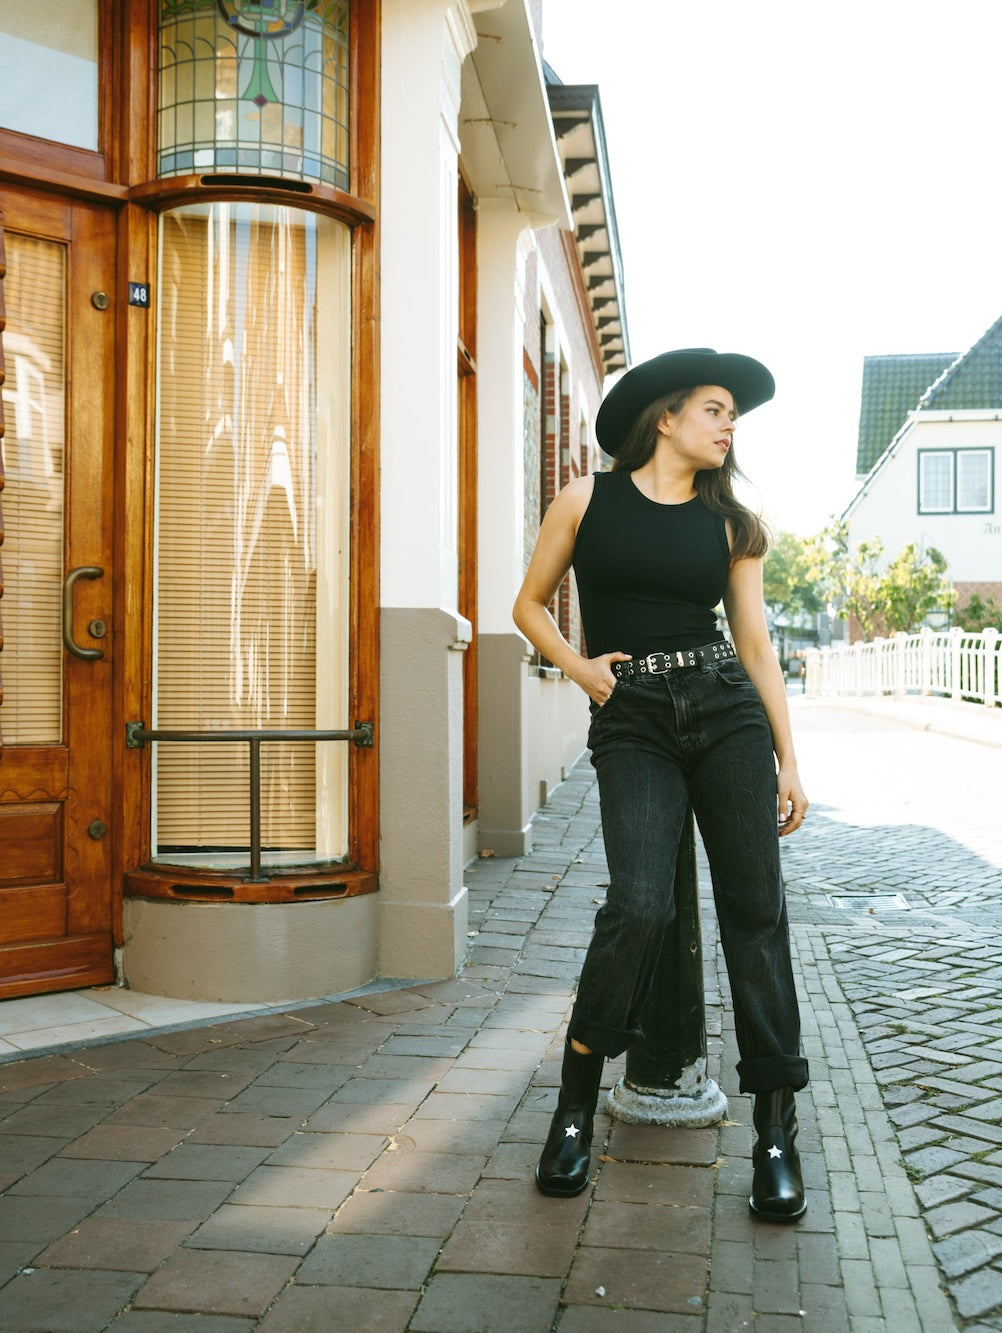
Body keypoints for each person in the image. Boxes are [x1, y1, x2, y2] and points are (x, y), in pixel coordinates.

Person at [513, 347, 810, 1223]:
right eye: (715, 409)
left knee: (755, 909)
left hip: (725, 710)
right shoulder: (587, 499)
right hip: (633, 715)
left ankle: (775, 1132)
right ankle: (574, 1101)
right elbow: (528, 604)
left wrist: (789, 758)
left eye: (733, 417)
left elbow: (754, 645)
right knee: (638, 903)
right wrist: (579, 669)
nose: (728, 427)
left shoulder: (733, 523)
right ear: (667, 417)